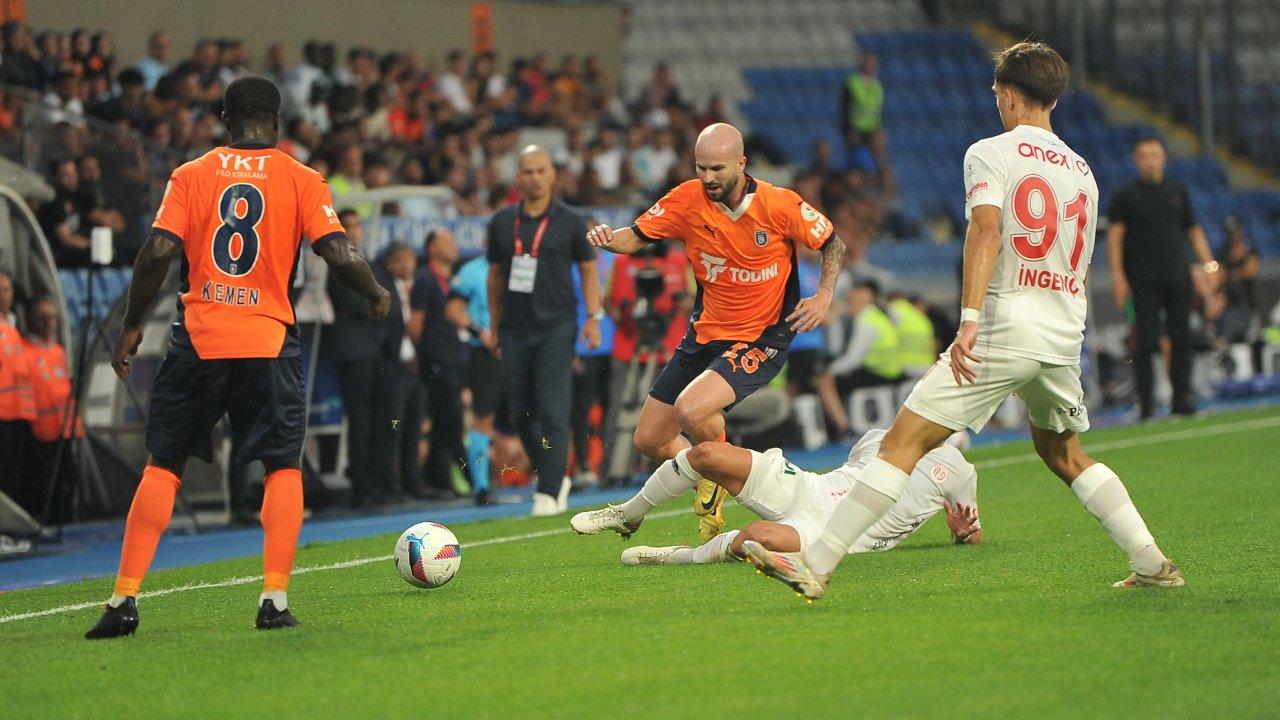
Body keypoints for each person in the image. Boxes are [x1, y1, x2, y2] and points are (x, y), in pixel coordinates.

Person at [744, 41, 1184, 600]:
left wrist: (970, 318)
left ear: (1008, 95)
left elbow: (986, 230)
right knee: (1064, 453)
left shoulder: (990, 153)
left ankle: (817, 564)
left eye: (997, 90)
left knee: (901, 444)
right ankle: (1150, 560)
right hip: (1060, 333)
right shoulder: (1083, 171)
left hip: (1003, 327)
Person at [85, 75, 390, 639]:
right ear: (275, 123)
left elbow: (156, 250)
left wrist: (130, 326)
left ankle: (123, 600)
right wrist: (374, 293)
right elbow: (338, 250)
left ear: (225, 121)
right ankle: (273, 598)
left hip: (199, 338)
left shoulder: (192, 174)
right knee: (281, 465)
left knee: (164, 463)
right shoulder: (301, 179)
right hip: (268, 342)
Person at [582, 123, 845, 543]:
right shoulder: (686, 199)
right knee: (649, 439)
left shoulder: (780, 205)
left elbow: (833, 243)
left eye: (717, 169)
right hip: (704, 336)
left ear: (742, 163)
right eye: (701, 168)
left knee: (692, 410)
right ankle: (714, 473)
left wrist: (824, 295)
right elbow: (635, 237)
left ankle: (721, 475)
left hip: (762, 337)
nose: (708, 178)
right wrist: (606, 240)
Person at [573, 429, 981, 565]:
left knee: (758, 538)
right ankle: (629, 514)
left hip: (835, 534)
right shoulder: (882, 435)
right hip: (813, 488)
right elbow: (851, 472)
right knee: (706, 454)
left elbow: (974, 534)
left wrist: (962, 534)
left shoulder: (960, 471)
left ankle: (672, 555)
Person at [486, 145, 602, 516]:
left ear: (552, 174)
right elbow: (495, 277)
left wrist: (593, 318)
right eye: (527, 171)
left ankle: (549, 489)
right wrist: (492, 325)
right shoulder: (502, 223)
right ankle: (552, 476)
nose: (534, 178)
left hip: (557, 326)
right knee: (520, 412)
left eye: (540, 171)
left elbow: (588, 270)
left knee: (554, 408)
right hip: (514, 329)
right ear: (517, 177)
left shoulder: (570, 220)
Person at [1108, 136, 1219, 418]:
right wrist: (1119, 276)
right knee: (1144, 342)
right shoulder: (1124, 196)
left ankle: (1181, 401)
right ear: (1136, 160)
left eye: (1154, 154)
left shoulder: (1177, 191)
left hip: (1178, 276)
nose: (1149, 160)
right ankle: (1146, 405)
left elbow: (1193, 230)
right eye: (1143, 155)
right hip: (1142, 280)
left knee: (1182, 340)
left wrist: (1209, 265)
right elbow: (1115, 238)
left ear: (1163, 158)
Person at [322, 209, 387, 508]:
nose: (352, 230)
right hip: (354, 350)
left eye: (355, 225)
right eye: (346, 226)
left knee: (375, 420)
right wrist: (376, 302)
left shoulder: (367, 263)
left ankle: (377, 483)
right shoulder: (339, 266)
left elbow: (388, 302)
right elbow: (355, 301)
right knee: (360, 421)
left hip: (374, 350)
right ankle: (363, 487)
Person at [411, 229, 472, 500]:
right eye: (447, 240)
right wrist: (424, 354)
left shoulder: (453, 280)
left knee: (447, 423)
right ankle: (443, 481)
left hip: (454, 359)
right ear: (432, 248)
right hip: (437, 360)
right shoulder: (425, 279)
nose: (454, 244)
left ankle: (443, 482)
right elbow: (416, 323)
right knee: (448, 421)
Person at [816, 279, 904, 436]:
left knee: (825, 381)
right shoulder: (878, 315)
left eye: (852, 299)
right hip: (892, 371)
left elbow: (853, 359)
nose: (849, 302)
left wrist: (830, 370)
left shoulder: (866, 320)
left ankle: (844, 428)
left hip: (878, 372)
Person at [374, 241, 426, 500]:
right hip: (393, 368)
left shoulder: (417, 289)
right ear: (390, 262)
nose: (406, 264)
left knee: (413, 430)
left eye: (410, 258)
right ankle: (390, 487)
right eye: (400, 259)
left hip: (415, 367)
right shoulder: (385, 290)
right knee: (393, 429)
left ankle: (413, 485)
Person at [22, 297, 81, 520]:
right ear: (31, 321)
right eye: (42, 318)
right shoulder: (25, 352)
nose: (49, 323)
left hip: (64, 428)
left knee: (67, 479)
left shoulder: (57, 351)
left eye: (52, 318)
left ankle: (66, 519)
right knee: (42, 482)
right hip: (38, 431)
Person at [450, 251, 498, 505]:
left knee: (536, 415)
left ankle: (549, 483)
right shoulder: (471, 270)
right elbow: (453, 309)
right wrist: (479, 330)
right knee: (483, 418)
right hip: (485, 353)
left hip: (523, 348)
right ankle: (481, 487)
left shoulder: (527, 263)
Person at [0, 271, 36, 509]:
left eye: (6, 289)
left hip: (19, 414)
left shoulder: (14, 327)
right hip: (2, 415)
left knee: (14, 475)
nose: (3, 295)